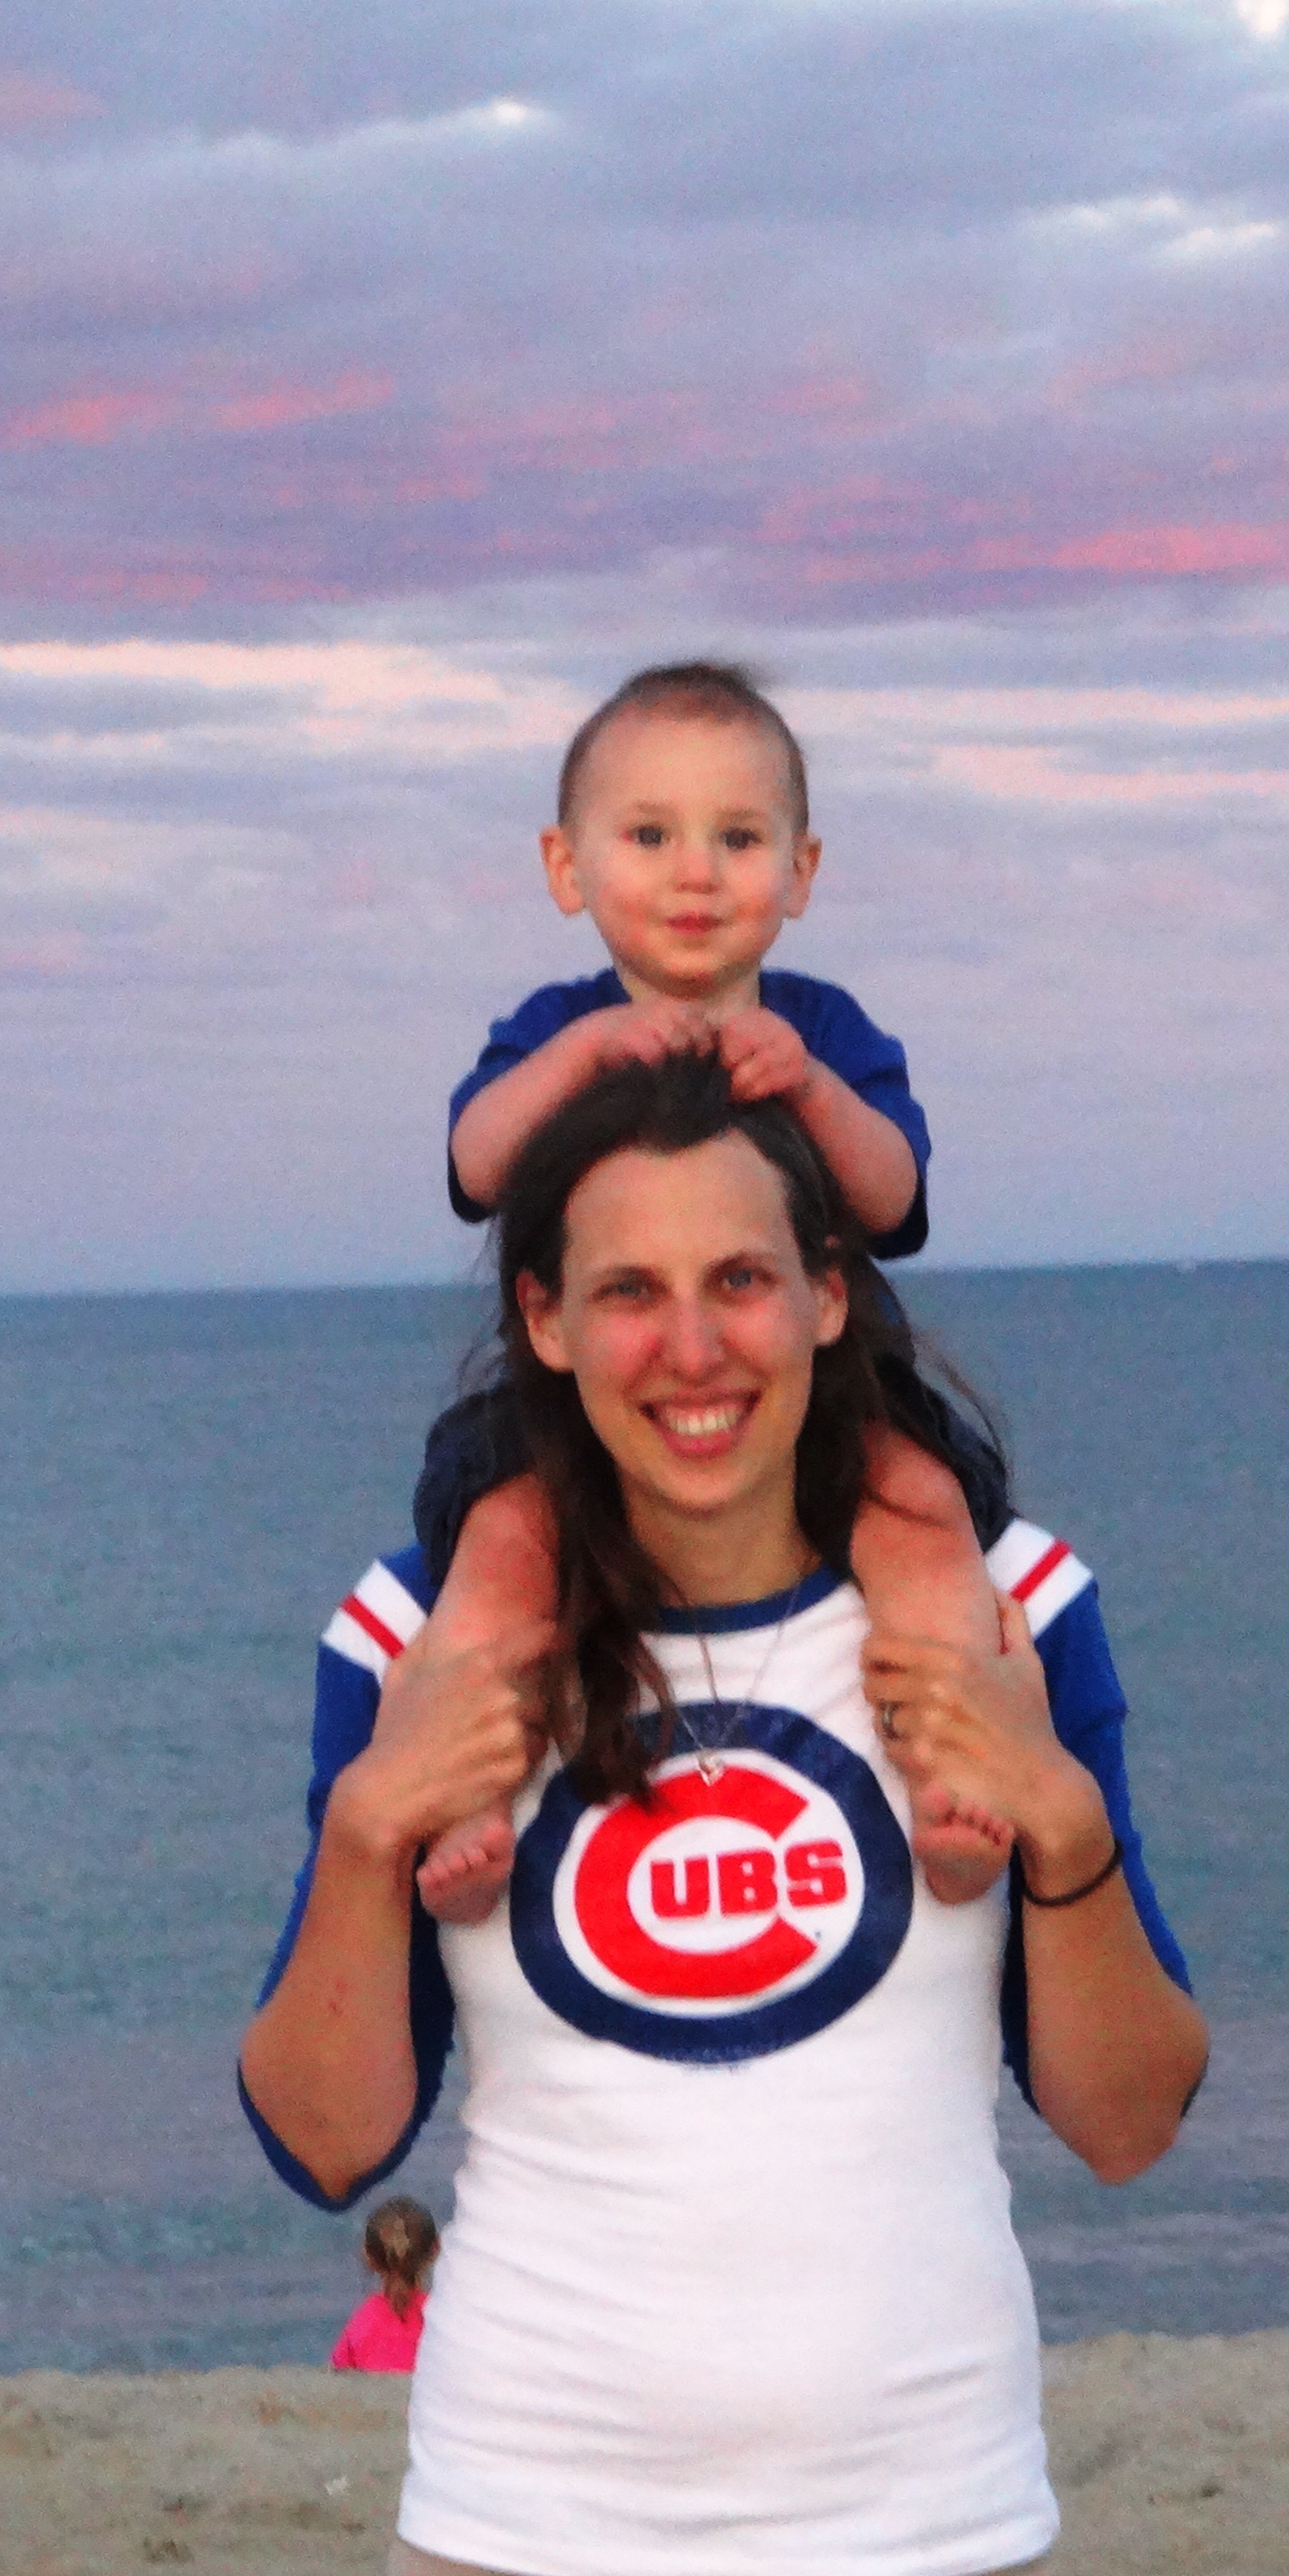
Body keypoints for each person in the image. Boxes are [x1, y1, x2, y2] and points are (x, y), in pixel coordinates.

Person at [241, 1052, 1206, 2576]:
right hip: (520, 2542)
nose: (691, 1349)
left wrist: (1058, 1816)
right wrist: (369, 1825)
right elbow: (324, 2141)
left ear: (827, 1295)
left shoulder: (1005, 1609)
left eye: (741, 1279)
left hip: (929, 2544)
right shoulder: (421, 1634)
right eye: (629, 1290)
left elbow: (1127, 2122)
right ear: (546, 1319)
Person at [419, 660, 1006, 1927]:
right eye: (649, 836)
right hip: (582, 1390)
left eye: (737, 838)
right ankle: (463, 1793)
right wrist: (580, 1056)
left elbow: (894, 1195)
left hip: (827, 1372)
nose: (695, 873)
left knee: (925, 1519)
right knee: (497, 1556)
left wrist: (810, 1087)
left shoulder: (824, 1029)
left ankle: (958, 1780)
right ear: (566, 867)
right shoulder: (551, 1026)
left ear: (799, 871)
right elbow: (473, 1163)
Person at [332, 2196, 440, 2373]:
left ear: (368, 2255)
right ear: (435, 2248)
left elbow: (337, 2378)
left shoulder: (361, 2322)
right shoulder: (446, 2319)